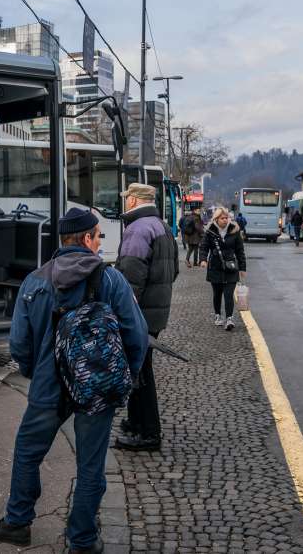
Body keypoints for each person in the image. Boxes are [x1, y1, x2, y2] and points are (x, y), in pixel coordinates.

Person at [0, 208, 148, 554]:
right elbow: (137, 336)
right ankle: (82, 540)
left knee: (28, 452)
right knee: (90, 465)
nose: (100, 242)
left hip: (47, 386)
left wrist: (35, 372)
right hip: (96, 388)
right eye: (98, 236)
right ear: (86, 239)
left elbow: (19, 344)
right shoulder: (110, 280)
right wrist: (122, 380)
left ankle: (17, 521)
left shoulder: (34, 281)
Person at [114, 183, 179, 452]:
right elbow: (173, 271)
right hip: (155, 312)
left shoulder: (137, 230)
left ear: (133, 200)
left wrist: (121, 313)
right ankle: (135, 421)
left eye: (126, 197)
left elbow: (129, 279)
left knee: (140, 373)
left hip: (138, 314)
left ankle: (148, 432)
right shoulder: (161, 226)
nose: (125, 201)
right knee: (140, 367)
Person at [199, 206, 247, 331]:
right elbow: (204, 247)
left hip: (231, 267)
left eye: (227, 218)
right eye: (222, 218)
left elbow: (240, 251)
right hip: (215, 267)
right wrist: (203, 260)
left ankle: (229, 318)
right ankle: (218, 315)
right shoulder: (210, 231)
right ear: (216, 219)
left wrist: (242, 268)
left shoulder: (235, 231)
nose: (225, 220)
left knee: (228, 294)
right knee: (217, 294)